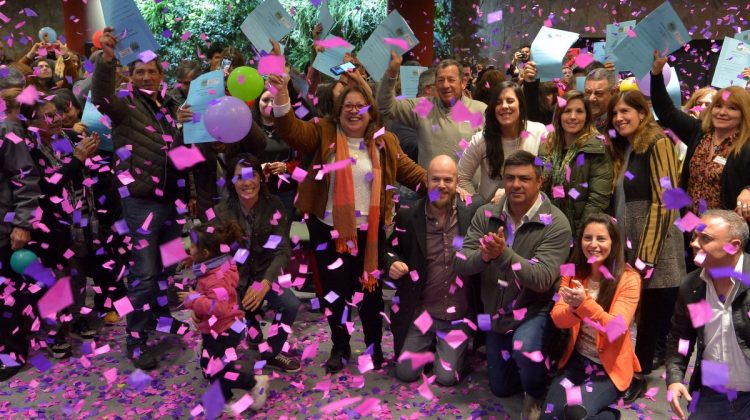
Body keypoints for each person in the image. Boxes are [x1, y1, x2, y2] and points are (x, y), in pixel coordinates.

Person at [268, 72, 426, 374]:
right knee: (334, 292)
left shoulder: (385, 142)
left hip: (370, 235)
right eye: (347, 106)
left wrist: (449, 184)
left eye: (360, 105)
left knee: (370, 295)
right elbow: (290, 131)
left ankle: (372, 347)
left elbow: (414, 174)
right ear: (338, 111)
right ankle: (339, 347)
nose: (354, 110)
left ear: (371, 111)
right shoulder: (323, 132)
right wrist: (281, 94)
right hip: (327, 231)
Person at [92, 27, 194, 370]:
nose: (147, 76)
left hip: (172, 202)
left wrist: (183, 133)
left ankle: (160, 320)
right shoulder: (123, 105)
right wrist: (107, 59)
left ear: (162, 75)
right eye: (140, 72)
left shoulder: (171, 107)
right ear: (130, 76)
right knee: (145, 272)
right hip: (140, 201)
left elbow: (181, 160)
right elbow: (101, 98)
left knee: (166, 270)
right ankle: (135, 339)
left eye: (152, 71)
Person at [455, 150, 572, 419]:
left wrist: (503, 254)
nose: (516, 184)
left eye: (524, 178)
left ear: (539, 181)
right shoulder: (485, 214)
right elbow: (461, 262)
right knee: (500, 388)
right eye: (509, 178)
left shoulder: (556, 223)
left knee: (524, 348)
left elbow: (543, 279)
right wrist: (484, 256)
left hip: (534, 310)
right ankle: (529, 363)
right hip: (497, 314)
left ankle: (536, 388)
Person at [607, 90, 686, 402]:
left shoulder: (659, 141)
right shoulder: (627, 146)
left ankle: (638, 374)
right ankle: (632, 365)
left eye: (626, 111)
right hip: (632, 238)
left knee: (651, 314)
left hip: (656, 243)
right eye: (614, 114)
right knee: (637, 311)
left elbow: (668, 201)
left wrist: (646, 257)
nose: (619, 118)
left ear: (643, 112)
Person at [383, 155, 484, 386]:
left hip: (458, 315)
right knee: (405, 372)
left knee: (446, 378)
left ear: (457, 182)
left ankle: (451, 352)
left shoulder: (472, 212)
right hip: (424, 313)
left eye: (448, 180)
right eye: (435, 179)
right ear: (426, 181)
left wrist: (500, 195)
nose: (441, 185)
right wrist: (392, 262)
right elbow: (388, 248)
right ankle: (432, 345)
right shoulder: (410, 214)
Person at [542, 214, 642, 420]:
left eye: (601, 239)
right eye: (588, 238)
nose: (593, 245)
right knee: (550, 415)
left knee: (575, 414)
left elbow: (616, 328)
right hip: (576, 361)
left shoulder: (629, 279)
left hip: (609, 368)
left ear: (614, 243)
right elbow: (557, 318)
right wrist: (574, 309)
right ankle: (607, 415)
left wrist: (583, 304)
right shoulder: (572, 271)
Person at [649, 52, 750, 252]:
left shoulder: (746, 144)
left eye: (732, 108)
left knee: (720, 276)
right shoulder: (699, 132)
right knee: (693, 270)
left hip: (726, 233)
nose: (722, 112)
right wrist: (657, 74)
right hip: (691, 223)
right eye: (718, 106)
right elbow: (666, 111)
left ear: (743, 114)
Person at [214, 154, 301, 373]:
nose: (247, 182)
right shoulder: (222, 212)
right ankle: (250, 326)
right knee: (227, 339)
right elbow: (213, 257)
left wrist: (264, 283)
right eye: (239, 177)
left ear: (261, 178)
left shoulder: (274, 205)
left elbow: (282, 249)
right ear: (232, 182)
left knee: (289, 303)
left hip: (265, 273)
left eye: (251, 175)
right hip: (234, 280)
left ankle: (271, 353)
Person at [666, 210, 750, 420]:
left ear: (734, 246)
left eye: (705, 239)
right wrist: (675, 379)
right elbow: (681, 339)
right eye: (695, 236)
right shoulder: (693, 286)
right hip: (714, 389)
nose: (694, 243)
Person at [179, 221, 268, 410]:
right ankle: (225, 398)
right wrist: (193, 259)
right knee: (208, 365)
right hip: (221, 327)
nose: (189, 248)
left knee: (220, 371)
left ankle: (253, 383)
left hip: (224, 330)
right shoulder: (220, 261)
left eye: (193, 247)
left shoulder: (215, 279)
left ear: (205, 254)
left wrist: (192, 300)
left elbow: (218, 308)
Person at [0, 68, 42, 381]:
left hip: (5, 226)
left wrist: (24, 222)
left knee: (6, 295)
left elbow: (25, 178)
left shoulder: (7, 130)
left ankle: (13, 354)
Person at [378, 52, 487, 167]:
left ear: (463, 83)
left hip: (468, 185)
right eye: (440, 80)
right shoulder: (425, 107)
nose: (445, 85)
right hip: (431, 184)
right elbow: (386, 107)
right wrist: (391, 74)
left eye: (451, 80)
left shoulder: (479, 110)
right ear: (435, 84)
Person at [457, 82, 548, 203]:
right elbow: (461, 177)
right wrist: (478, 205)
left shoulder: (539, 132)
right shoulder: (481, 140)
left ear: (520, 105)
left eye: (510, 101)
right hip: (491, 213)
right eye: (498, 102)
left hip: (529, 210)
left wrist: (508, 194)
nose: (504, 106)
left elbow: (547, 174)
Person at [541, 90, 613, 236]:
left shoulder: (597, 147)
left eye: (579, 111)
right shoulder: (549, 145)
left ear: (587, 116)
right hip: (549, 231)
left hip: (580, 234)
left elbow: (598, 200)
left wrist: (581, 235)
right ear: (559, 115)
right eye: (567, 111)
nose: (573, 117)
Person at [584, 68, 618, 133]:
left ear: (613, 93)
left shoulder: (619, 123)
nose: (591, 98)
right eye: (588, 92)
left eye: (598, 93)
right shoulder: (578, 119)